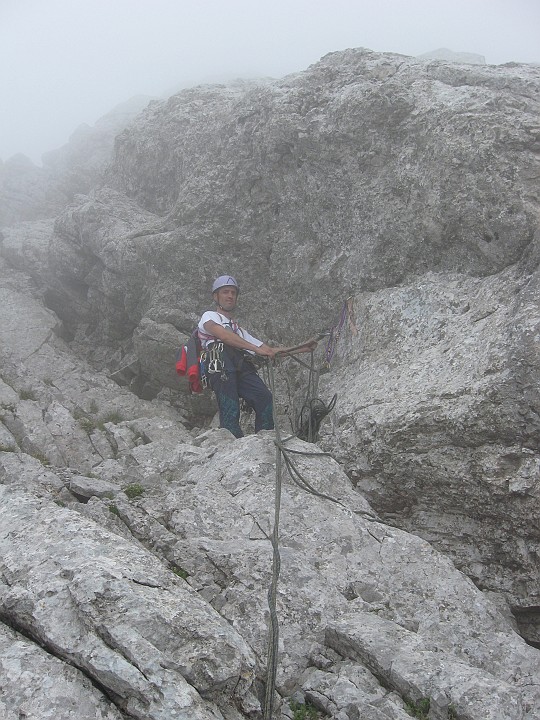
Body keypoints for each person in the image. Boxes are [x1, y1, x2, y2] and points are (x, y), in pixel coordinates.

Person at [198, 275, 283, 438]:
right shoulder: (209, 316)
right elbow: (225, 337)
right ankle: (232, 444)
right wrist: (255, 349)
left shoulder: (238, 330)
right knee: (230, 407)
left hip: (239, 365)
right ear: (216, 296)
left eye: (233, 293)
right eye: (225, 292)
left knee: (264, 398)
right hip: (220, 363)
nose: (230, 296)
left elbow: (267, 349)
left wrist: (303, 349)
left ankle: (265, 439)